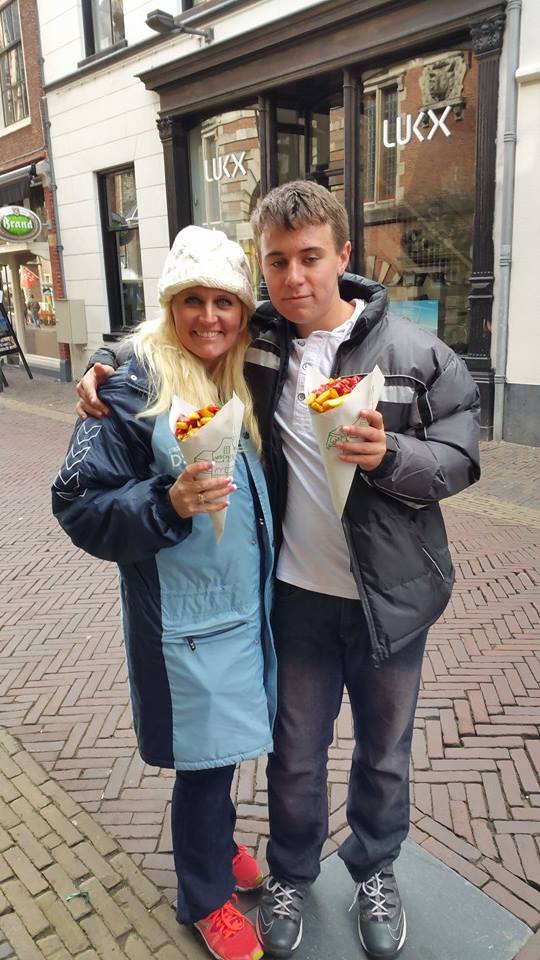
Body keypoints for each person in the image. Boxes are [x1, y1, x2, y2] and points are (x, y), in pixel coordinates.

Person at [76, 181, 480, 960]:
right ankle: (292, 873)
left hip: (391, 599)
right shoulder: (261, 341)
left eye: (310, 258)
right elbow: (177, 331)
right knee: (294, 755)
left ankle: (374, 869)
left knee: (384, 752)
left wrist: (392, 455)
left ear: (344, 256)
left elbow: (461, 454)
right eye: (278, 262)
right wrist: (104, 359)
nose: (295, 277)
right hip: (293, 600)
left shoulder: (416, 352)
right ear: (263, 269)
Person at [52, 225, 277, 960]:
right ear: (169, 305)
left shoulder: (237, 369)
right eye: (192, 301)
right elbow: (78, 504)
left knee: (225, 753)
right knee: (204, 765)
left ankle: (216, 842)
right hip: (185, 624)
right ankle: (203, 897)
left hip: (245, 612)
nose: (209, 317)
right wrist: (166, 501)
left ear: (243, 312)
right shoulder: (128, 389)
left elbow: (322, 311)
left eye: (224, 302)